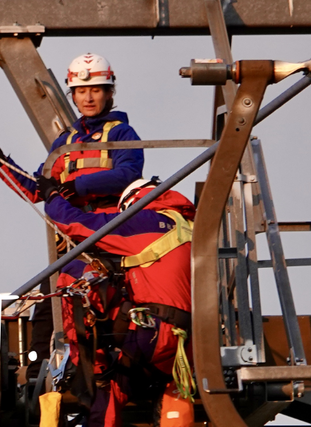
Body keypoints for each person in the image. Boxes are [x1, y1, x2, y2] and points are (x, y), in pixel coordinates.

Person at [38, 177, 196, 427]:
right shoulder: (189, 229)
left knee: (72, 272)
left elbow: (77, 223)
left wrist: (51, 196)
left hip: (153, 332)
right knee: (112, 391)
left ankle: (92, 366)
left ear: (132, 202)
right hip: (184, 345)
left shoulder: (144, 221)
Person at [0, 53, 144, 213]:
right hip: (76, 228)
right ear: (73, 96)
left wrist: (78, 186)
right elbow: (35, 189)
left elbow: (128, 174)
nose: (88, 98)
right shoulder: (65, 143)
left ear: (108, 93)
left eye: (95, 90)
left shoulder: (121, 133)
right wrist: (1, 162)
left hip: (114, 223)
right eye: (81, 91)